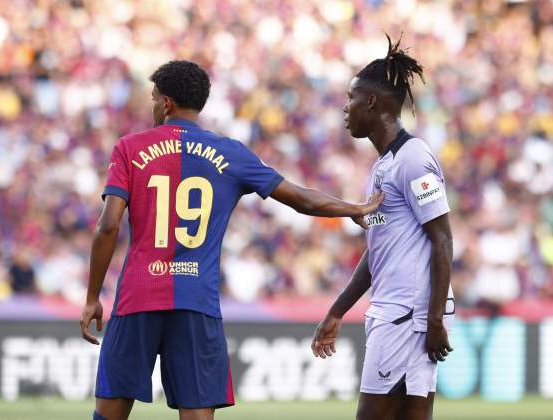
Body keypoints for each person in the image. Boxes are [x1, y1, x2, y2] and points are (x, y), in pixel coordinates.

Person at [80, 60, 383, 420]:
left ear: (167, 103)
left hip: (138, 295)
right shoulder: (230, 153)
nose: (152, 105)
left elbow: (108, 226)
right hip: (196, 300)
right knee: (197, 414)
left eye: (153, 98)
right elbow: (300, 199)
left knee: (110, 412)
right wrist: (351, 208)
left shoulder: (130, 148)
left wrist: (92, 297)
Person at [311, 34, 455, 420]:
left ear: (371, 101)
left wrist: (434, 318)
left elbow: (442, 239)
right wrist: (338, 309)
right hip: (399, 310)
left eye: (350, 98)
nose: (345, 108)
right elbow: (378, 252)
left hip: (407, 313)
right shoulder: (382, 168)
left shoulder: (413, 158)